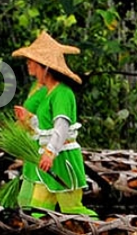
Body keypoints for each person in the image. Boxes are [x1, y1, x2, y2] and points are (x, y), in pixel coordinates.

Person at [12, 31, 94, 217]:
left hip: (62, 159)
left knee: (72, 209)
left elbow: (61, 127)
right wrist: (28, 120)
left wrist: (50, 152)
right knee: (38, 210)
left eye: (32, 61)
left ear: (46, 67)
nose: (28, 64)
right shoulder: (47, 92)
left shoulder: (62, 93)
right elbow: (45, 127)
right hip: (48, 162)